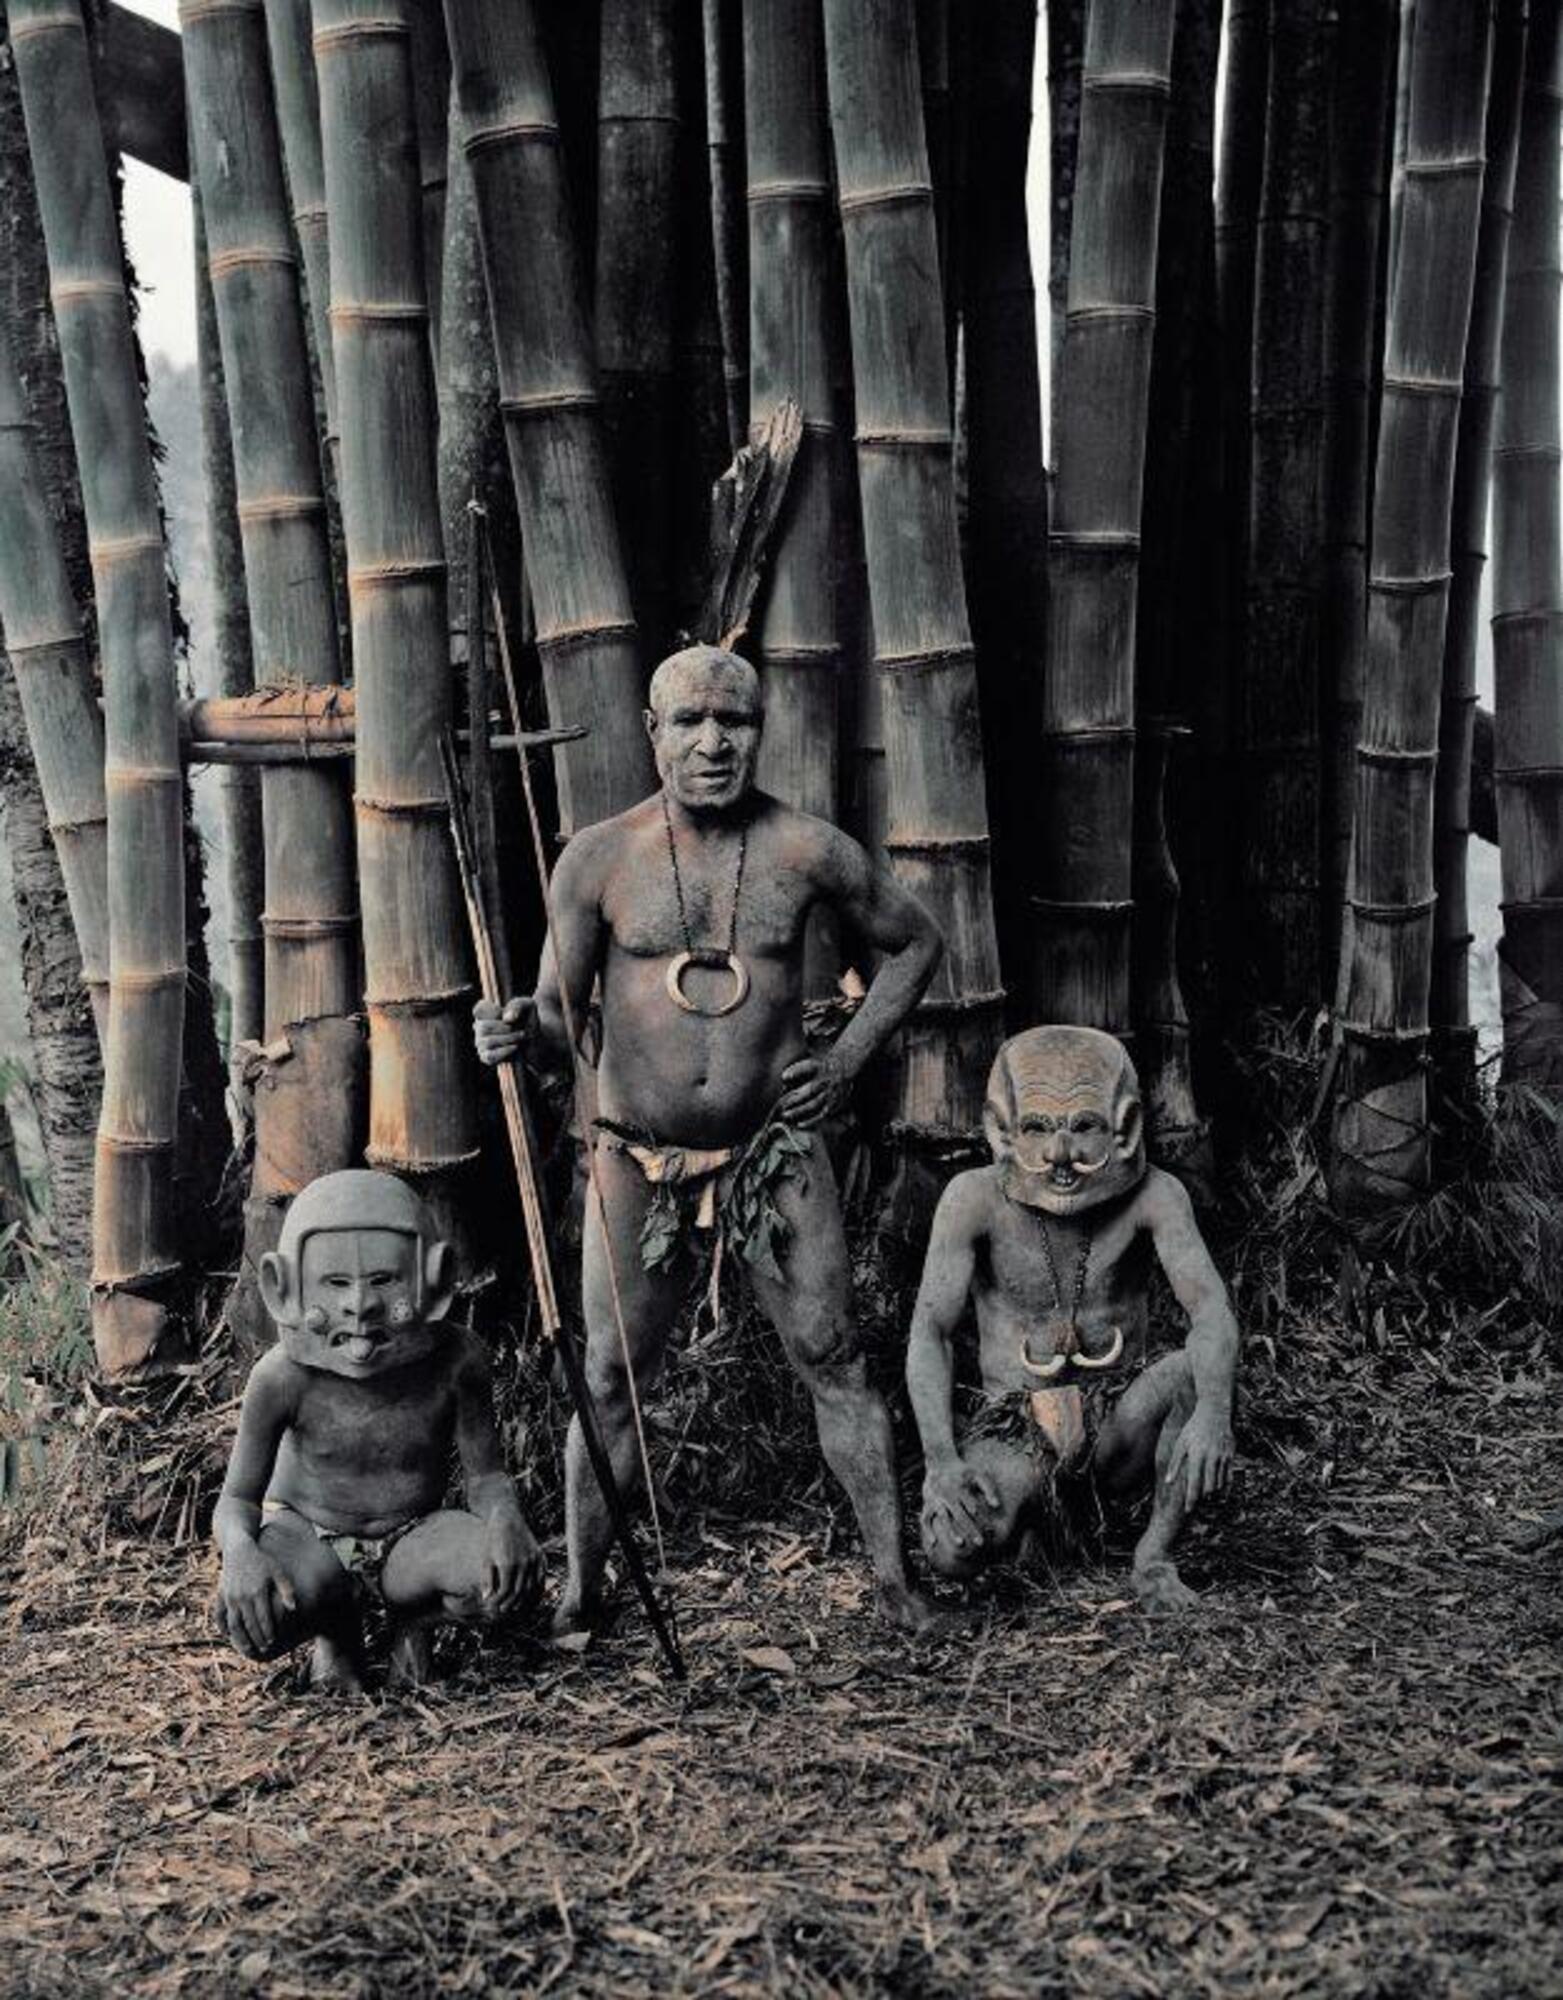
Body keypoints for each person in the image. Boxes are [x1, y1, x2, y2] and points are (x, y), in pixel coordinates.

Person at [475, 643, 944, 1633]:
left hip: (774, 1149)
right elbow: (559, 1021)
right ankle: (580, 1592)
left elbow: (915, 944)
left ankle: (897, 1584)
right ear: (654, 732)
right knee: (610, 1375)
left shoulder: (806, 849)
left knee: (834, 1355)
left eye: (733, 720)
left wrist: (847, 1061)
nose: (713, 741)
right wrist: (513, 1027)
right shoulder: (598, 859)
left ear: (759, 730)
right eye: (690, 720)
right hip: (635, 1153)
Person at [905, 1027, 1239, 1611]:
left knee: (1197, 1374)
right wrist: (941, 1461)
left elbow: (1211, 1312)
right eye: (1037, 1127)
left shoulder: (1157, 1196)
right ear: (1002, 1129)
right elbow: (930, 1333)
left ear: (1124, 1128)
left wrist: (1214, 1412)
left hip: (1120, 1425)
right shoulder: (971, 1199)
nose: (1059, 1154)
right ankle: (1045, 1518)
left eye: (1083, 1126)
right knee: (949, 1549)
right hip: (1017, 1428)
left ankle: (1153, 1557)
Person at [212, 1169, 544, 1688]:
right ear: (284, 1288)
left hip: (413, 1538)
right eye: (335, 1283)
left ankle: (413, 1622)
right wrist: (240, 1554)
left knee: (505, 1579)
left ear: (434, 1281)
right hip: (309, 1539)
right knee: (255, 1619)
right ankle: (335, 1628)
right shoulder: (280, 1378)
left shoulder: (457, 1362)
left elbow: (485, 1478)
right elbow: (237, 1500)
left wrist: (505, 1519)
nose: (360, 1305)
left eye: (385, 1280)